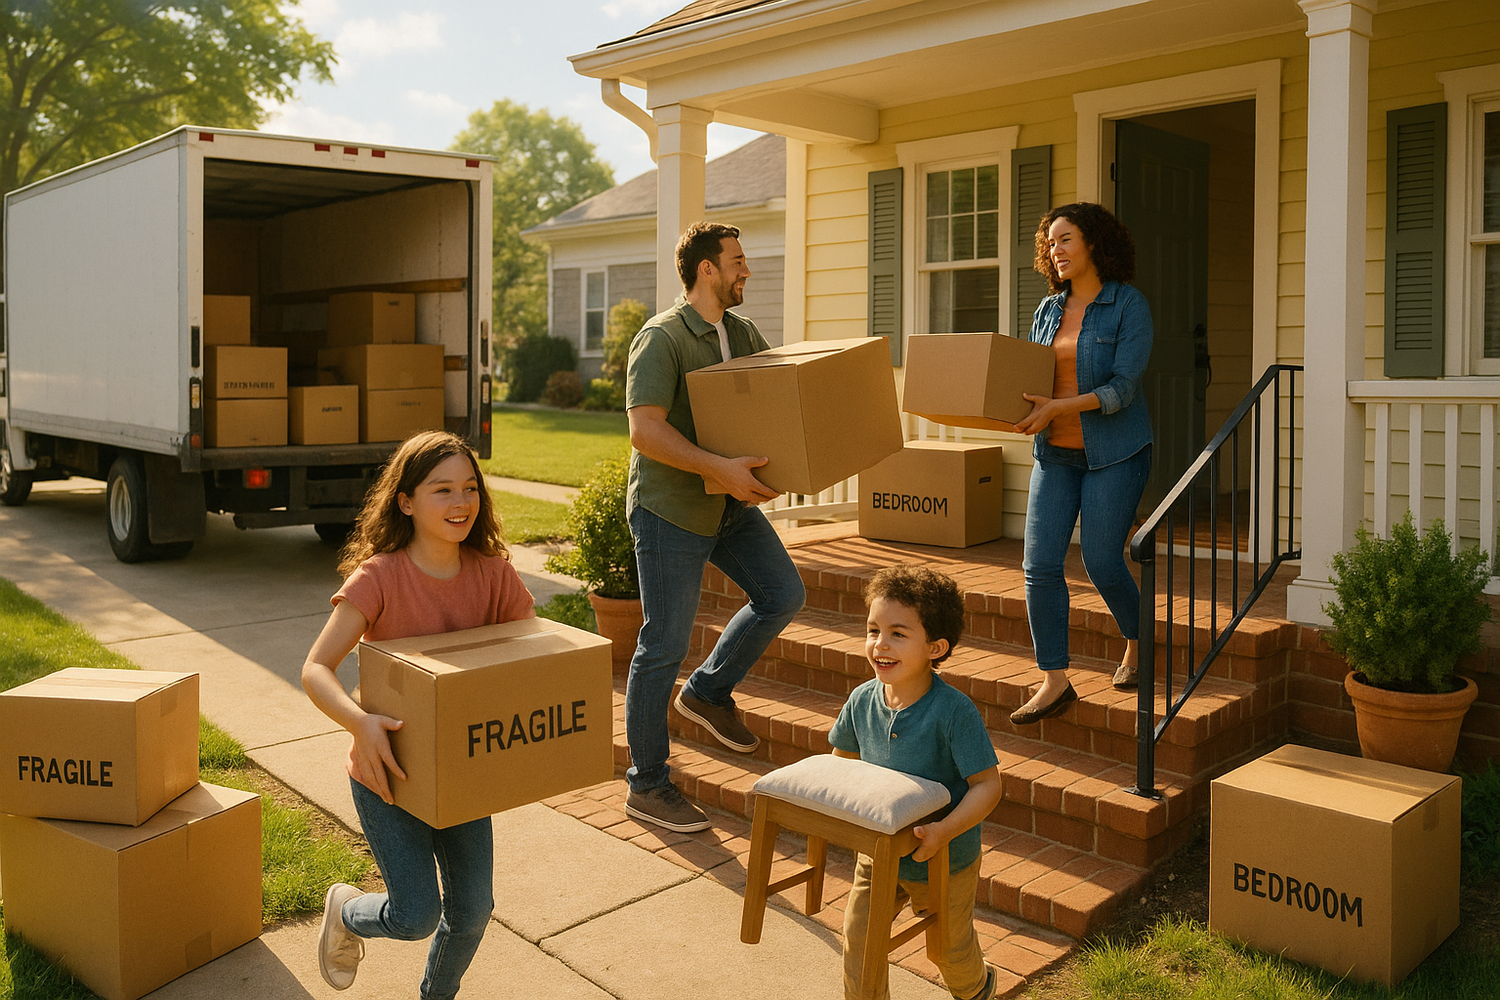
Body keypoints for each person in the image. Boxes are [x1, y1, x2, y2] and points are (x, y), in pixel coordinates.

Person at [301, 430, 536, 997]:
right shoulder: (379, 578)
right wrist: (359, 723)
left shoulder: (494, 576)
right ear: (405, 501)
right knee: (414, 916)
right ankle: (349, 911)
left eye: (470, 488)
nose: (461, 503)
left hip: (463, 773)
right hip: (389, 773)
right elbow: (316, 668)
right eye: (442, 490)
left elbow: (536, 657)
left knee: (474, 910)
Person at [622, 220, 807, 833]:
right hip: (670, 508)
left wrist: (785, 462)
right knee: (663, 643)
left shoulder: (744, 332)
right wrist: (718, 469)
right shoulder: (663, 338)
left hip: (729, 504)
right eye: (737, 259)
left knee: (783, 593)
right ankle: (647, 784)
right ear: (707, 268)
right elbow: (645, 431)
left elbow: (768, 408)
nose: (745, 269)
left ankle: (706, 692)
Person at [1009, 202, 1154, 726]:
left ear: (1093, 242)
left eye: (1065, 239)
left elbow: (1122, 388)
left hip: (1115, 452)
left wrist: (1059, 407)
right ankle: (1054, 680)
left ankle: (1139, 643)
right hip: (1055, 453)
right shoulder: (1048, 311)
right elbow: (1031, 378)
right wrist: (1013, 408)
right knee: (1039, 566)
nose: (1057, 250)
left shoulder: (1127, 305)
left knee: (1101, 559)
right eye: (1050, 243)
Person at [831, 565, 1002, 1000]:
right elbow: (841, 766)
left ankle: (976, 986)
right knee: (860, 944)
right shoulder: (860, 701)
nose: (879, 644)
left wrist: (944, 830)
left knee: (947, 949)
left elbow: (987, 785)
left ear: (935, 647)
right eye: (873, 630)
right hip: (879, 855)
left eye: (897, 634)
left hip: (943, 855)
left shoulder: (954, 712)